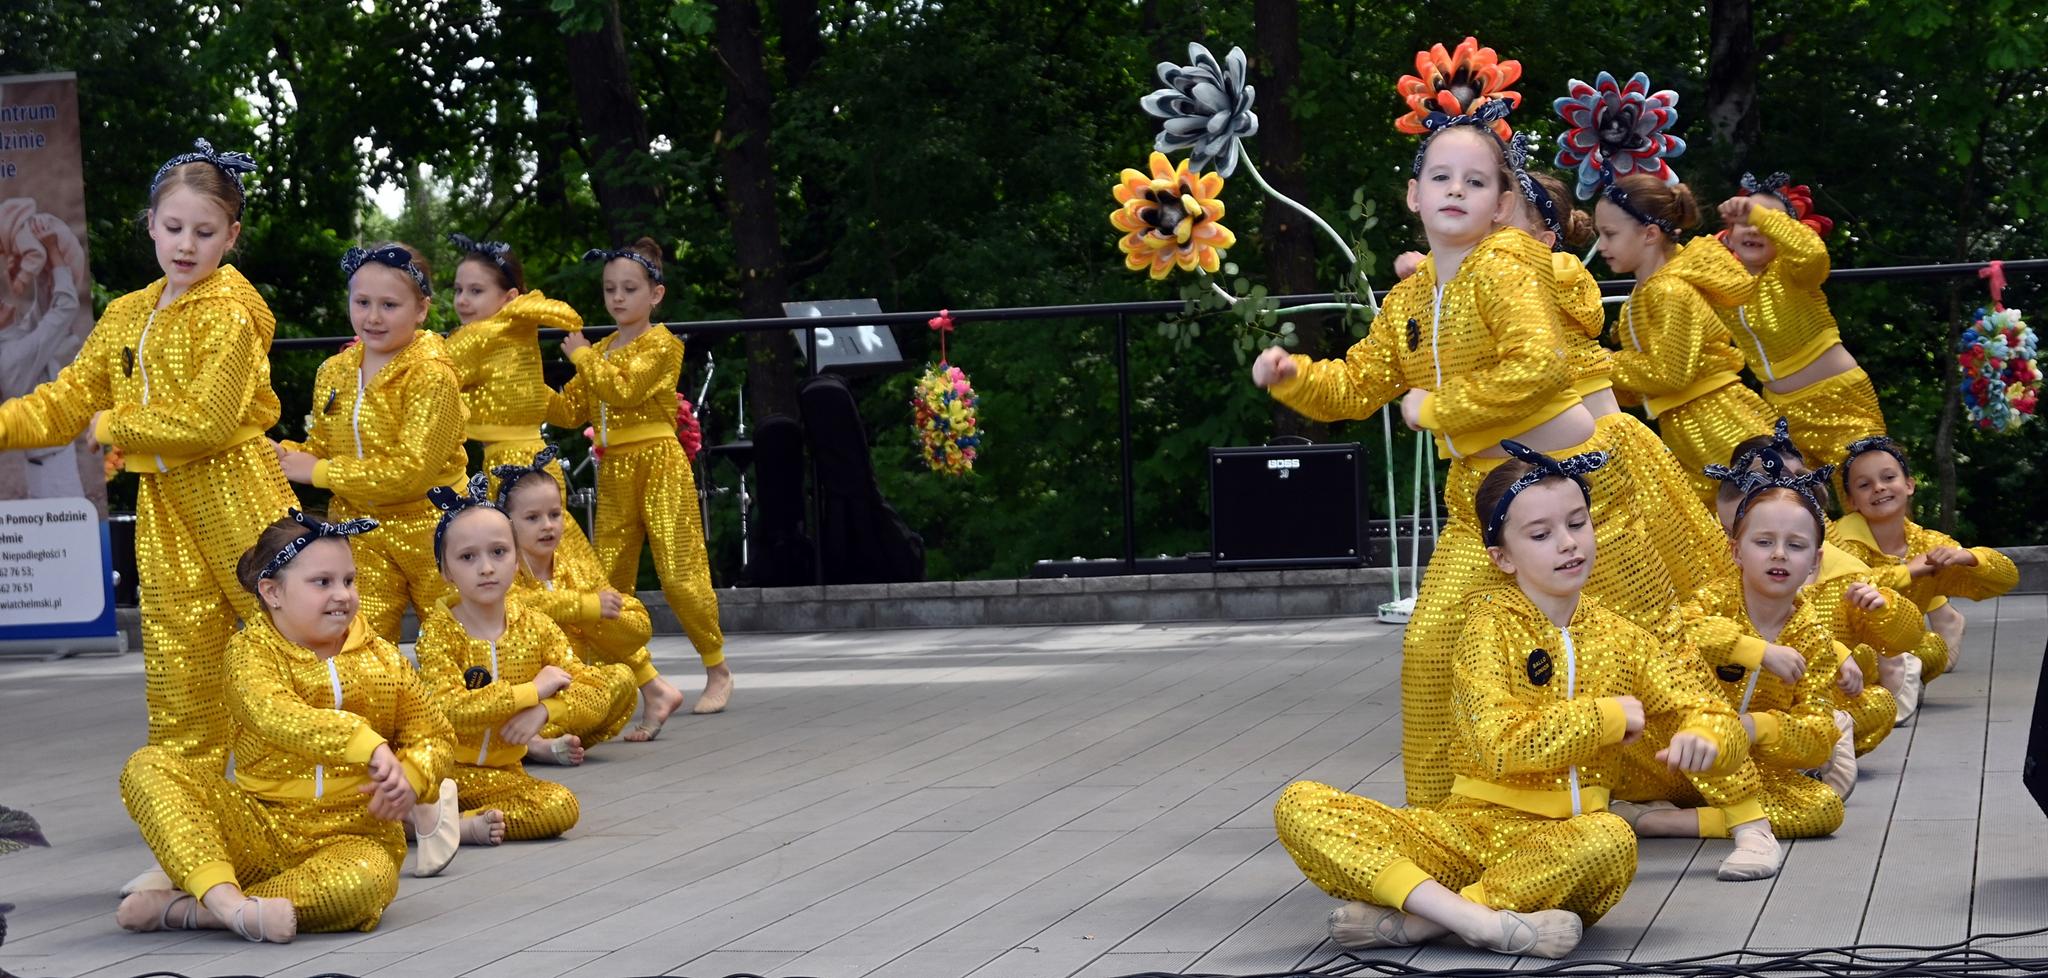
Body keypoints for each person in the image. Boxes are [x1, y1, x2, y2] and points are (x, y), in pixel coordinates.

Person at [1274, 443, 1747, 957]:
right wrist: (1603, 717)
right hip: (1465, 832)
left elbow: (1710, 709)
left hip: (1563, 848)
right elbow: (1499, 744)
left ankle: (1424, 923)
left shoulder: (1625, 638)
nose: (1568, 543)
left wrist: (1707, 734)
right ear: (1502, 557)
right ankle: (1479, 922)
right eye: (1541, 535)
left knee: (1611, 838)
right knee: (1301, 804)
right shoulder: (1487, 627)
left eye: (1578, 523)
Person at [0, 139, 296, 763]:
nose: (186, 245)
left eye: (204, 232)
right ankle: (190, 800)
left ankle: (347, 786)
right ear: (152, 225)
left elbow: (208, 421)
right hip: (164, 504)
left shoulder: (231, 314)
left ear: (231, 236)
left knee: (289, 636)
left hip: (238, 491)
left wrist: (115, 425)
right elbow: (65, 402)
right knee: (178, 659)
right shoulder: (127, 313)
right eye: (174, 227)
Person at [115, 511, 455, 940]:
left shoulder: (384, 658)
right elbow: (273, 713)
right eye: (322, 582)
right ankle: (230, 903)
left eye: (349, 580)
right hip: (258, 826)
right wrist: (362, 741)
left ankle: (195, 910)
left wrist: (412, 776)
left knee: (365, 884)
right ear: (272, 592)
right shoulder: (249, 652)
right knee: (148, 766)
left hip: (354, 837)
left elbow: (436, 734)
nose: (342, 595)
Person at [551, 238, 730, 728]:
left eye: (629, 288)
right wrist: (515, 378)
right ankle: (615, 682)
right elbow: (567, 410)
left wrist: (582, 358)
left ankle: (717, 667)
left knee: (679, 574)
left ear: (656, 294)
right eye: (610, 288)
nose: (617, 297)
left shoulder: (663, 344)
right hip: (615, 470)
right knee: (607, 580)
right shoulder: (600, 350)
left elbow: (624, 390)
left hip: (660, 464)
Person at [412, 476, 636, 842]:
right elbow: (448, 707)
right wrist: (531, 691)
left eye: (499, 552)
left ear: (518, 560)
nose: (486, 567)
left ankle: (448, 823)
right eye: (468, 557)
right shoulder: (439, 631)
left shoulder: (537, 626)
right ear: (446, 570)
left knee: (560, 807)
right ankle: (447, 823)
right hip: (441, 768)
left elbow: (594, 689)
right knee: (387, 795)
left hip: (503, 775)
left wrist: (546, 711)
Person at [276, 243, 468, 642]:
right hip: (358, 526)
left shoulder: (432, 375)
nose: (373, 317)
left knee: (457, 638)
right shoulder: (335, 370)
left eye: (389, 305)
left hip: (434, 526)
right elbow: (323, 445)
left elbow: (412, 472)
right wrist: (286, 454)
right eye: (362, 302)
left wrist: (320, 471)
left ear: (421, 309)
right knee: (361, 641)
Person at [1594, 169, 1773, 505]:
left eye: (1609, 234)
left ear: (1649, 234)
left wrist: (1602, 362)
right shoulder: (1646, 292)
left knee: (1766, 510)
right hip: (1689, 423)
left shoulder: (1669, 291)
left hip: (1719, 423)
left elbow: (1670, 374)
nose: (1601, 246)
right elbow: (1645, 384)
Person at [497, 445, 687, 747]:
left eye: (555, 514)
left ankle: (540, 734)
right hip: (517, 687)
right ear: (507, 523)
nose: (547, 525)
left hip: (567, 689)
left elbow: (638, 624)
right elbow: (513, 604)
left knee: (620, 680)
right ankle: (532, 740)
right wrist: (582, 607)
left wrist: (595, 618)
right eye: (532, 518)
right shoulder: (500, 569)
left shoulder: (577, 569)